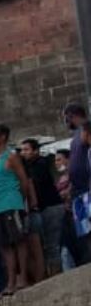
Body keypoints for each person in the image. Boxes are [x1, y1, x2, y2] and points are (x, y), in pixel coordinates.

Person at [0, 124, 39, 295]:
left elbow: (23, 180)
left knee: (19, 241)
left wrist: (21, 200)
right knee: (4, 245)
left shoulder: (11, 156)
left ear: (2, 137)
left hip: (12, 204)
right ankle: (11, 281)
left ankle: (22, 278)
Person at [21, 138, 64, 277]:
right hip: (44, 208)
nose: (23, 153)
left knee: (53, 244)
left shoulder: (39, 165)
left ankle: (57, 275)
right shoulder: (30, 167)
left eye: (26, 149)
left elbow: (35, 185)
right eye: (22, 150)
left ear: (35, 151)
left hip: (51, 207)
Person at [63, 103, 91, 265]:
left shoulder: (86, 130)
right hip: (78, 191)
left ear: (72, 115)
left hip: (88, 189)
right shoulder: (75, 136)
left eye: (66, 117)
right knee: (84, 229)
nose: (65, 122)